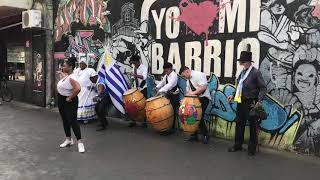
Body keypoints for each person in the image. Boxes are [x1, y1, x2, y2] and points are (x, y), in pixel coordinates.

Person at [227, 50, 267, 156]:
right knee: (239, 123)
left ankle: (251, 148)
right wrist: (233, 94)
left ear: (249, 62)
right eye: (241, 62)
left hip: (251, 102)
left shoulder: (255, 73)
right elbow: (240, 86)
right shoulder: (242, 72)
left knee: (253, 126)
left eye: (243, 62)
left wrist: (259, 101)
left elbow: (263, 88)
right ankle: (237, 145)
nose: (242, 63)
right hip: (241, 101)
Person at [57, 57, 85, 153]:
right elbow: (65, 84)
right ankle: (68, 139)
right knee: (65, 120)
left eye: (64, 66)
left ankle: (80, 143)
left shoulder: (72, 77)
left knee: (72, 121)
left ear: (70, 67)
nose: (62, 67)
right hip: (61, 99)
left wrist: (70, 97)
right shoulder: (67, 76)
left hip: (69, 101)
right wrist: (61, 75)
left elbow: (77, 88)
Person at [179, 66, 211, 144]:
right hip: (194, 99)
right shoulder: (188, 81)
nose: (184, 78)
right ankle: (194, 135)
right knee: (192, 116)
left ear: (187, 71)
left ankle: (206, 135)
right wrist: (184, 100)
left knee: (199, 117)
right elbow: (189, 92)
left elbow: (203, 87)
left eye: (184, 75)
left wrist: (193, 93)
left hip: (203, 98)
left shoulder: (199, 75)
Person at [155, 62, 179, 135]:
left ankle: (171, 129)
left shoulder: (174, 76)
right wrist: (157, 87)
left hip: (174, 96)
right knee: (166, 111)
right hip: (168, 95)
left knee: (171, 112)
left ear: (170, 69)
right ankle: (166, 127)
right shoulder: (167, 75)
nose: (166, 72)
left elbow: (169, 85)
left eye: (166, 71)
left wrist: (160, 91)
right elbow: (162, 82)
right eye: (165, 71)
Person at [74, 57, 98, 123]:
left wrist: (93, 85)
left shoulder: (90, 70)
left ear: (85, 64)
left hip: (87, 90)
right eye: (80, 64)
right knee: (78, 103)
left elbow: (95, 78)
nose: (81, 65)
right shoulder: (77, 70)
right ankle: (79, 117)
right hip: (79, 90)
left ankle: (86, 118)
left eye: (82, 64)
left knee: (86, 103)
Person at [127, 54, 148, 128]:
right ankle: (134, 121)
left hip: (143, 89)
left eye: (135, 63)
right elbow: (133, 77)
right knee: (133, 105)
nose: (134, 64)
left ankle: (144, 122)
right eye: (133, 63)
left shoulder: (144, 68)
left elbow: (144, 77)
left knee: (143, 105)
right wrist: (131, 81)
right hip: (135, 89)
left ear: (138, 61)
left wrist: (135, 75)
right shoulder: (134, 68)